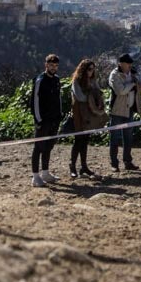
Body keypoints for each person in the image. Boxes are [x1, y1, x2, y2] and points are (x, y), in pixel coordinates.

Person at [69, 58, 108, 178]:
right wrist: (92, 96)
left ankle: (84, 166)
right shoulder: (76, 81)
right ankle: (73, 166)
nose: (91, 72)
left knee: (85, 140)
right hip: (79, 115)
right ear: (84, 69)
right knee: (78, 141)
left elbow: (98, 92)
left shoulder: (92, 81)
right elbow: (80, 97)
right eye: (89, 69)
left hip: (89, 115)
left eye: (93, 70)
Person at [30, 53, 64, 187]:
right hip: (42, 120)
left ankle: (45, 172)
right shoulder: (40, 80)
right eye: (51, 65)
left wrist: (59, 114)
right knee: (38, 147)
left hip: (54, 119)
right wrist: (38, 119)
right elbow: (34, 101)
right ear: (46, 65)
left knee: (49, 146)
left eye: (56, 65)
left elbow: (58, 98)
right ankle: (35, 176)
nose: (53, 68)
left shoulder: (57, 80)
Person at [108, 53, 141, 171]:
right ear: (121, 64)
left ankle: (128, 162)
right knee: (114, 137)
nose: (129, 65)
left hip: (130, 108)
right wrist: (133, 84)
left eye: (130, 63)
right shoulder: (114, 75)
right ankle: (114, 163)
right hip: (117, 110)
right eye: (127, 63)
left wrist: (138, 81)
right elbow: (121, 91)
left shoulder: (134, 72)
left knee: (128, 137)